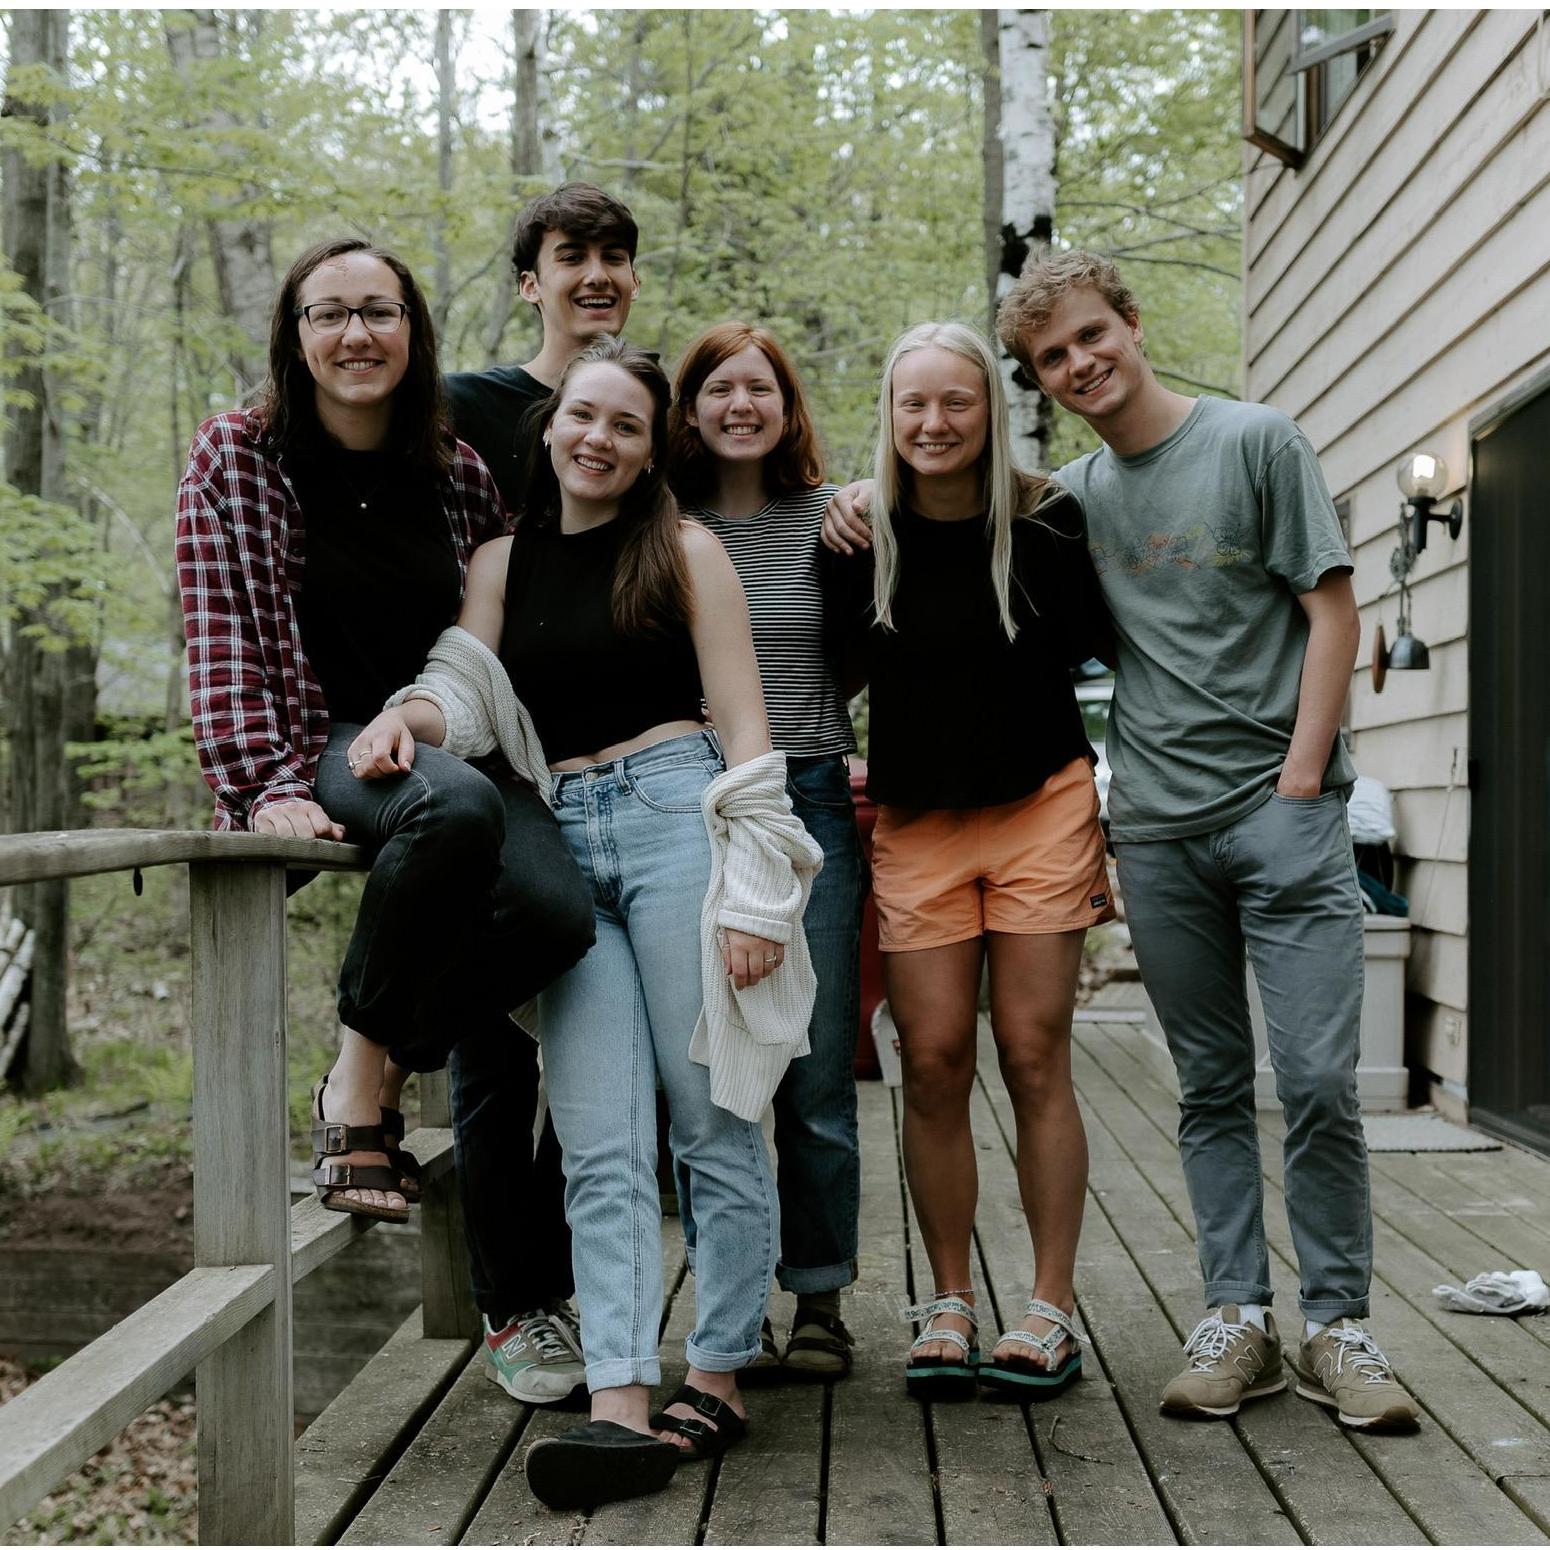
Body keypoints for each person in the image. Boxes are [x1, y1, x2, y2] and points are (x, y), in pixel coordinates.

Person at [827, 254, 1421, 1432]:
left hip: (1277, 809)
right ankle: (1236, 1318)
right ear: (1036, 380)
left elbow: (1330, 608)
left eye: (1092, 337)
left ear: (1130, 326)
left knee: (1310, 1079)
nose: (1080, 363)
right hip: (1153, 821)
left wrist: (1303, 779)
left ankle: (1340, 1326)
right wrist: (853, 490)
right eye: (1053, 356)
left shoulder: (1243, 446)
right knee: (1203, 1082)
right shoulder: (1069, 498)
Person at [350, 336, 822, 1509]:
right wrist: (403, 715)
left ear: (649, 446)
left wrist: (758, 893)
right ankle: (617, 1393)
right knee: (600, 1134)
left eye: (624, 425)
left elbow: (747, 725)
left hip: (677, 824)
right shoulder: (503, 559)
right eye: (582, 417)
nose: (598, 439)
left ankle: (712, 1371)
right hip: (563, 832)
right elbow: (463, 679)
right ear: (551, 425)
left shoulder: (685, 548)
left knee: (711, 1116)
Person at [175, 237, 594, 1233]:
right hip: (316, 736)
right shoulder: (236, 453)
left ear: (413, 331)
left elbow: (501, 630)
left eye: (379, 311)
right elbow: (218, 627)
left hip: (447, 737)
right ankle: (359, 1102)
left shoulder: (453, 471)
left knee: (554, 916)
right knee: (449, 807)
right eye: (330, 313)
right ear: (295, 334)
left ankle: (367, 1056)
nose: (356, 333)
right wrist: (262, 783)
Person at [828, 322, 1114, 1401]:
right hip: (916, 824)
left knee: (1033, 1049)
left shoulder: (1047, 523)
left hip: (1041, 804)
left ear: (989, 413)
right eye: (914, 405)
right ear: (890, 415)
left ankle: (1048, 1307)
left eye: (957, 403)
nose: (934, 423)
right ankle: (946, 1299)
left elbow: (1132, 641)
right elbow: (807, 666)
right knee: (935, 1056)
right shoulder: (857, 538)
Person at [439, 182, 641, 1406]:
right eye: (572, 256)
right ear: (532, 279)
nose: (596, 273)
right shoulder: (468, 409)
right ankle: (514, 1304)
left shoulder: (639, 406)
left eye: (615, 255)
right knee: (489, 1050)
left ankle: (576, 1291)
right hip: (490, 767)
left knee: (606, 1048)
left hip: (622, 768)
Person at [667, 322, 867, 1378]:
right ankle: (728, 1302)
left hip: (811, 805)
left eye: (761, 389)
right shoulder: (657, 526)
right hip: (688, 812)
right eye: (718, 388)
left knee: (814, 1068)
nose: (740, 404)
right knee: (708, 1071)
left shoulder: (828, 524)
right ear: (689, 408)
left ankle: (821, 1298)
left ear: (787, 409)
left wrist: (872, 494)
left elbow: (870, 644)